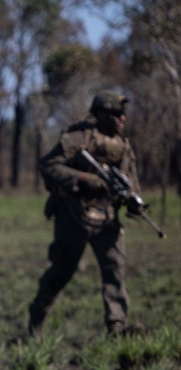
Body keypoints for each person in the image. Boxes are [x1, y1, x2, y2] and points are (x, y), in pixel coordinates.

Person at [29, 89, 141, 337]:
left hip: (107, 217)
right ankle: (37, 315)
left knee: (115, 268)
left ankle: (117, 327)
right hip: (73, 216)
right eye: (116, 113)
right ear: (100, 113)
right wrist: (87, 179)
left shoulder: (123, 145)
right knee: (62, 271)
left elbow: (129, 181)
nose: (122, 118)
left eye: (123, 114)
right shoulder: (79, 137)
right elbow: (49, 165)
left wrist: (134, 202)